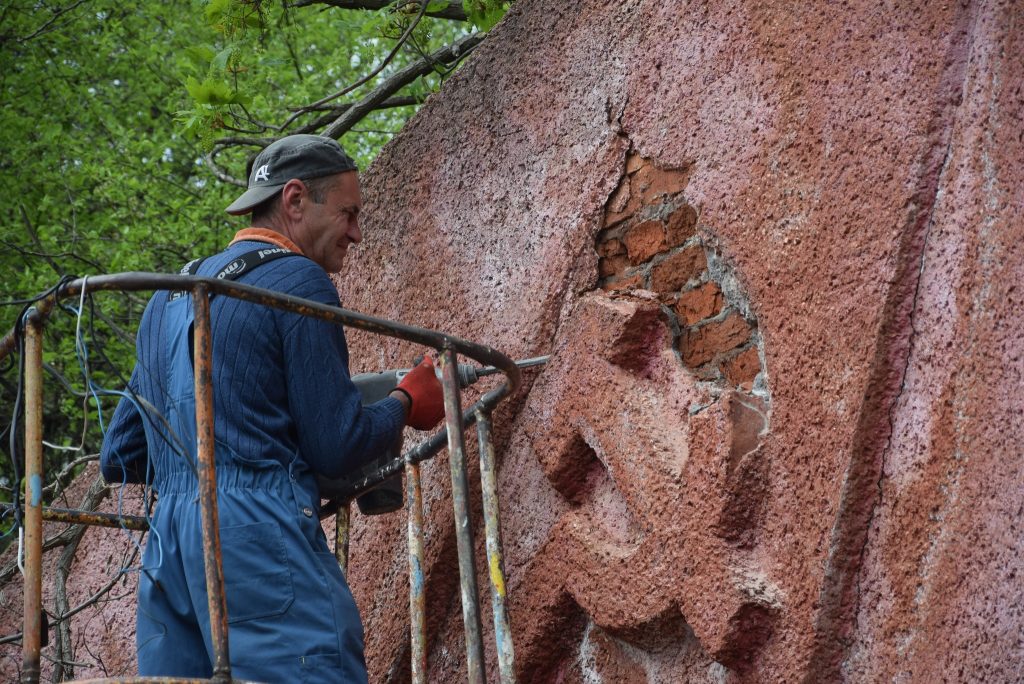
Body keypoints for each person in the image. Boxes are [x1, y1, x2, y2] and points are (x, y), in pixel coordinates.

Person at [100, 134, 444, 682]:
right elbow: (338, 442)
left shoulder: (168, 295)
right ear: (294, 200)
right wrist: (406, 402)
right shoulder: (296, 279)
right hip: (257, 535)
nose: (357, 232)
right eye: (349, 213)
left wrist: (212, 462)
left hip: (170, 551)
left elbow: (118, 455)